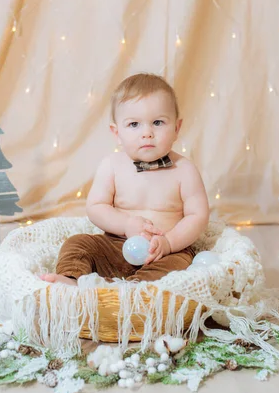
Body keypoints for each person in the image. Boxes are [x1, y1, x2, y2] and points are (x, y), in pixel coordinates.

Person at [40, 73, 209, 285]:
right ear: (117, 132)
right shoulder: (112, 165)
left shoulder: (184, 169)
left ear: (176, 128)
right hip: (115, 246)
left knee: (179, 267)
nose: (147, 133)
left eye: (157, 122)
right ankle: (71, 280)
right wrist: (126, 224)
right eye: (134, 124)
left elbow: (197, 216)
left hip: (165, 253)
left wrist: (169, 243)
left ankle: (131, 293)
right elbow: (96, 207)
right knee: (77, 244)